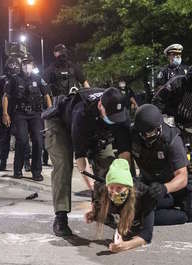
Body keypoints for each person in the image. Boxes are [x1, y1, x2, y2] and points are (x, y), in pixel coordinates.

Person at [43, 87, 131, 237]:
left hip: (95, 131)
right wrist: (91, 186)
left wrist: (121, 180)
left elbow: (124, 152)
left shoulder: (121, 113)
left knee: (109, 164)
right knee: (64, 165)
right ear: (100, 106)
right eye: (111, 116)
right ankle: (61, 216)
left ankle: (101, 210)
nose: (115, 120)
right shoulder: (81, 112)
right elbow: (81, 160)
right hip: (61, 124)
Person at [131, 104, 192, 225]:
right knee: (135, 210)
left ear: (158, 128)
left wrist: (164, 188)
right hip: (150, 182)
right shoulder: (134, 135)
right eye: (143, 133)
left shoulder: (172, 140)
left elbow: (182, 177)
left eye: (149, 133)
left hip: (175, 183)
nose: (146, 137)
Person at [85, 159, 154, 253]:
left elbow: (146, 235)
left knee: (179, 217)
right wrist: (93, 214)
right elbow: (97, 205)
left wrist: (125, 246)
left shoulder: (143, 195)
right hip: (128, 210)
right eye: (111, 187)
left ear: (128, 188)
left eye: (119, 188)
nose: (115, 192)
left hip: (152, 204)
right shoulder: (102, 190)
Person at [2, 55, 52, 180]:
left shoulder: (38, 79)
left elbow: (46, 95)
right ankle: (17, 170)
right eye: (24, 64)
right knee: (22, 141)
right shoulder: (14, 79)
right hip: (20, 114)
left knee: (38, 141)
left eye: (28, 64)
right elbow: (6, 97)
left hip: (36, 114)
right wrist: (5, 113)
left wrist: (50, 112)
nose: (26, 66)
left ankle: (36, 172)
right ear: (21, 66)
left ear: (32, 65)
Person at [152, 67, 192, 164]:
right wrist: (161, 121)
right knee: (171, 145)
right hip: (170, 119)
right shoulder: (177, 83)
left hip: (189, 120)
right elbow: (158, 101)